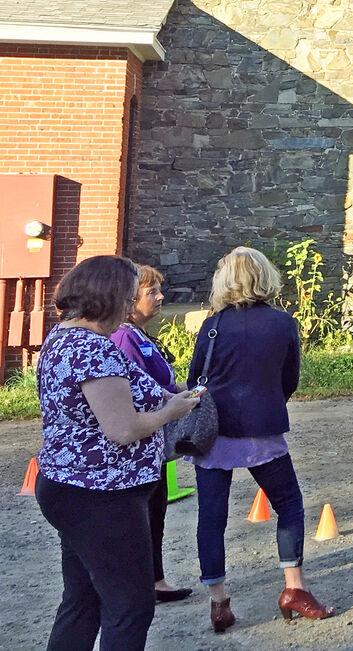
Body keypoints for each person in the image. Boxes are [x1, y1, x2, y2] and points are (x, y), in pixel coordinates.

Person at [35, 255, 201, 651]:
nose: (131, 307)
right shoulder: (96, 350)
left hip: (67, 485)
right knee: (131, 606)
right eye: (127, 299)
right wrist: (170, 412)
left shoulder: (60, 338)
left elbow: (133, 389)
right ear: (107, 297)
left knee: (83, 599)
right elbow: (123, 429)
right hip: (102, 496)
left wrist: (169, 395)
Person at [189, 247, 331, 632]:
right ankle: (293, 588)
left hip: (216, 432)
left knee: (211, 516)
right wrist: (270, 400)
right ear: (266, 277)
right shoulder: (283, 323)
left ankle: (218, 601)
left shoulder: (212, 324)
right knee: (288, 504)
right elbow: (291, 378)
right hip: (262, 428)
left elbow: (194, 378)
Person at [108, 264, 192, 604]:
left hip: (151, 441)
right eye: (152, 292)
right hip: (139, 443)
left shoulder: (138, 334)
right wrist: (176, 399)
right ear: (129, 300)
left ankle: (154, 580)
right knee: (146, 514)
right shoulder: (125, 337)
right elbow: (137, 391)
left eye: (160, 290)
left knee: (155, 510)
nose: (160, 297)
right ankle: (146, 584)